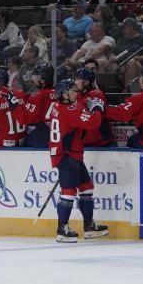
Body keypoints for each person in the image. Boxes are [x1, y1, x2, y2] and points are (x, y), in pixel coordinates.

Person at [49, 78, 109, 243]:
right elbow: (94, 123)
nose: (76, 93)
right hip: (66, 155)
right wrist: (96, 108)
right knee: (68, 191)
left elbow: (78, 110)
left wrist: (86, 106)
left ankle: (88, 226)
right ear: (64, 94)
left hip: (71, 153)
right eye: (72, 91)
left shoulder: (59, 106)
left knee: (86, 187)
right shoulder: (68, 111)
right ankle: (62, 229)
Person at [13, 63, 55, 147]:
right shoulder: (59, 93)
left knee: (24, 140)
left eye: (35, 76)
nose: (33, 79)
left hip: (44, 136)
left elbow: (25, 120)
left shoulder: (37, 96)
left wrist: (18, 102)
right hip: (58, 134)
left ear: (42, 80)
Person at [75, 67, 116, 147]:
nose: (75, 82)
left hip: (104, 143)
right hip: (86, 143)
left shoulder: (96, 94)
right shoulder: (78, 95)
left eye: (78, 79)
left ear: (86, 82)